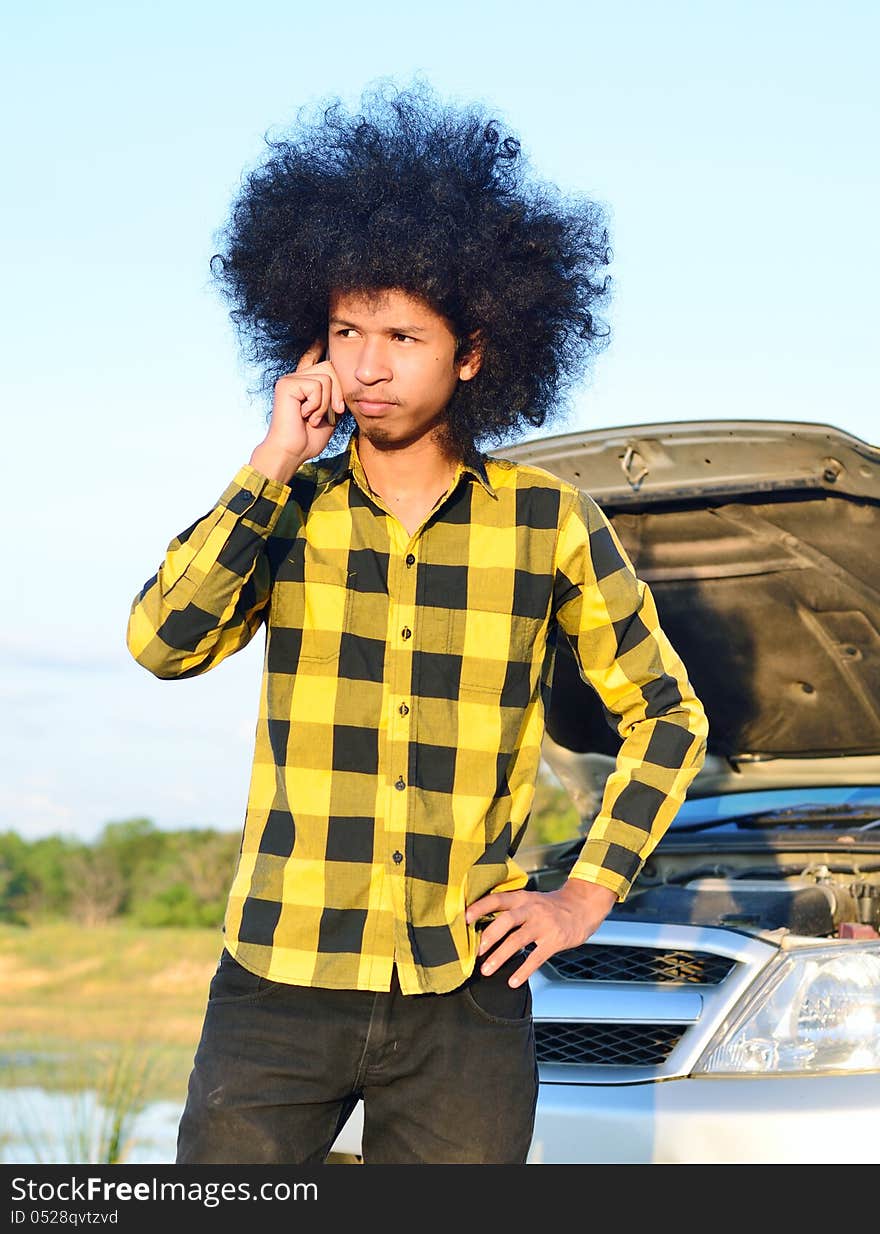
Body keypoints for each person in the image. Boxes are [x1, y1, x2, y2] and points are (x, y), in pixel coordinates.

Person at [126, 81, 708, 1166]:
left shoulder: (548, 522)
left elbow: (666, 715)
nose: (368, 365)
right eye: (346, 330)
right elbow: (162, 641)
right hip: (279, 978)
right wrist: (271, 460)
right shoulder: (286, 503)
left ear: (476, 351)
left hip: (464, 991)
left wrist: (585, 894)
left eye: (402, 333)